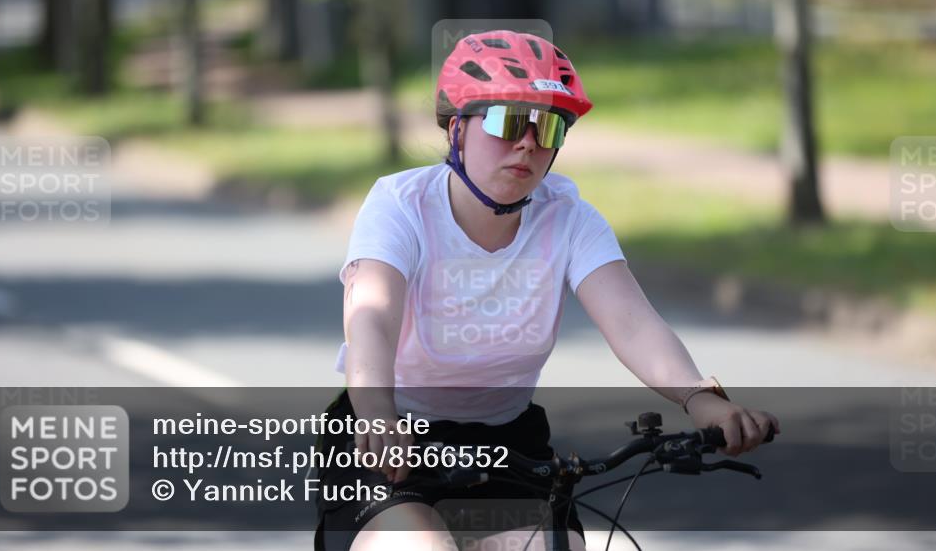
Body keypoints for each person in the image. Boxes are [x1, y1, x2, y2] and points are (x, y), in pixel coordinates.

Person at [313, 30, 781, 551]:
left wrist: (699, 397)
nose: (528, 143)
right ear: (457, 129)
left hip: (509, 443)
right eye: (509, 121)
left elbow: (633, 324)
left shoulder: (570, 218)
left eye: (550, 127)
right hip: (390, 434)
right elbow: (372, 315)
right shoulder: (400, 206)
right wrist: (376, 410)